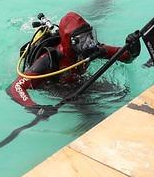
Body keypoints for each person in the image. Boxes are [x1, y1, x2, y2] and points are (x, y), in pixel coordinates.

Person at [7, 12, 140, 112]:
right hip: (54, 88)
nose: (88, 43)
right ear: (69, 42)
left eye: (89, 35)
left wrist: (133, 49)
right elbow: (15, 88)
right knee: (90, 109)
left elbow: (125, 57)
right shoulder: (49, 59)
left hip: (77, 82)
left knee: (119, 94)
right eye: (82, 39)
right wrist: (35, 108)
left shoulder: (92, 49)